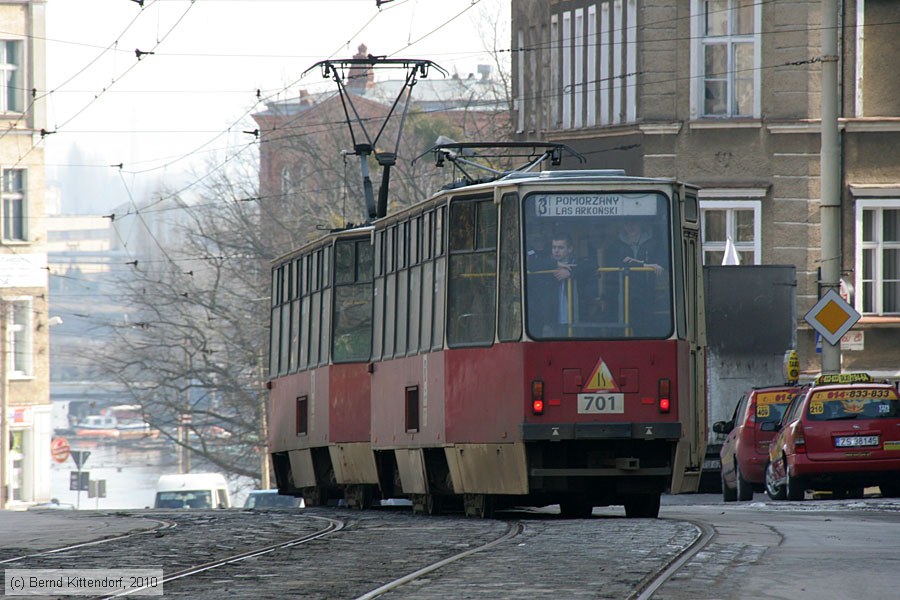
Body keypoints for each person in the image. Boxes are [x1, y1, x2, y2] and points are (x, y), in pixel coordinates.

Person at [604, 218, 666, 334]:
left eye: (634, 222)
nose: (630, 226)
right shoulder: (616, 245)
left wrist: (639, 263)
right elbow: (616, 263)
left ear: (641, 224)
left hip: (647, 292)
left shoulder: (653, 243)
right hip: (621, 292)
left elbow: (662, 262)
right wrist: (644, 264)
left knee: (643, 327)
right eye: (626, 223)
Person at [527, 233, 595, 336]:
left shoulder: (576, 263)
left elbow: (593, 264)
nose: (556, 251)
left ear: (570, 249)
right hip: (551, 320)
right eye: (554, 247)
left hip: (576, 319)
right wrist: (554, 264)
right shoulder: (546, 265)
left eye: (560, 247)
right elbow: (531, 265)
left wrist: (570, 273)